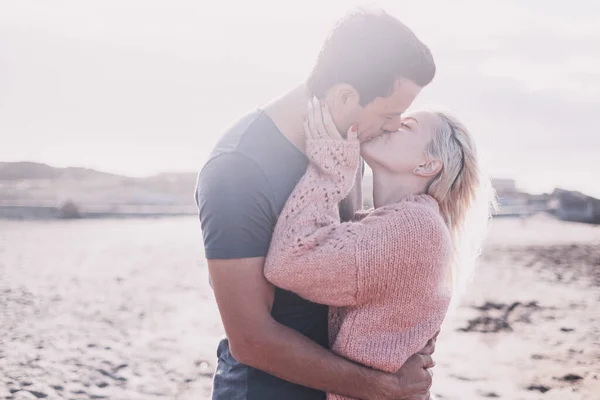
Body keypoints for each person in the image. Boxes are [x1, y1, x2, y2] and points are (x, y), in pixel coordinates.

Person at [196, 9, 438, 400]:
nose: (395, 126)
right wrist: (384, 386)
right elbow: (250, 338)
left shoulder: (347, 145)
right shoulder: (238, 169)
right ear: (345, 96)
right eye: (390, 114)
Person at [264, 99, 495, 400]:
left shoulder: (411, 228)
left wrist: (331, 166)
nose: (391, 124)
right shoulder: (409, 223)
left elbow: (286, 263)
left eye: (407, 126)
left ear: (427, 164)